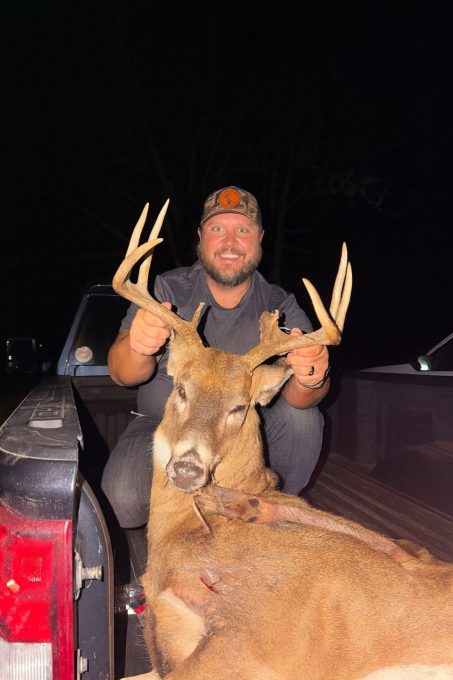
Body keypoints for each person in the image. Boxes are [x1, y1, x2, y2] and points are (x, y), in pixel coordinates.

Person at [101, 186, 330, 531]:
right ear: (200, 236)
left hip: (242, 431)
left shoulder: (280, 306)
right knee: (119, 502)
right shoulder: (166, 290)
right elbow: (123, 374)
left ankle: (271, 517)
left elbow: (303, 398)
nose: (230, 241)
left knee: (303, 420)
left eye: (243, 230)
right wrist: (139, 346)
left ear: (260, 238)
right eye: (217, 228)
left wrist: (311, 376)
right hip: (164, 424)